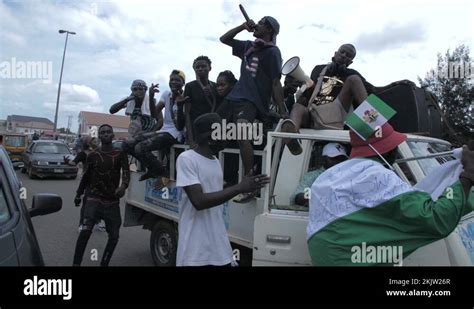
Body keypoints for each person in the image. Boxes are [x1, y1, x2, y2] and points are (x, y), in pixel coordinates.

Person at [307, 122, 474, 266]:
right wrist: (467, 174)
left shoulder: (327, 176)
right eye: (394, 145)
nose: (395, 148)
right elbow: (437, 219)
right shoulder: (376, 175)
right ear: (386, 150)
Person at [281, 44, 413, 155]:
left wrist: (395, 85)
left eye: (348, 55)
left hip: (334, 113)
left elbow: (374, 90)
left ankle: (375, 126)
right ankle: (292, 139)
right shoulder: (319, 69)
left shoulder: (351, 73)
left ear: (350, 62)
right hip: (313, 113)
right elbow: (309, 93)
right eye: (342, 52)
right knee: (298, 108)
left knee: (354, 80)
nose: (344, 55)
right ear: (335, 53)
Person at [176, 113, 269, 266]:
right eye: (221, 133)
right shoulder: (187, 159)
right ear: (209, 137)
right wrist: (239, 187)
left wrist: (248, 186)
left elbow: (218, 190)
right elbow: (198, 201)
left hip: (219, 248)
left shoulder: (215, 161)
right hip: (195, 252)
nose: (226, 137)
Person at [218, 16, 286, 203]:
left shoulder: (272, 52)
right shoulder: (248, 45)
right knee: (210, 128)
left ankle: (250, 182)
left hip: (251, 101)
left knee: (241, 132)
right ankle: (219, 177)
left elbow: (275, 82)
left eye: (263, 22)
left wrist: (282, 110)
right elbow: (224, 39)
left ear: (270, 31)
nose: (258, 23)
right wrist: (242, 26)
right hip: (234, 97)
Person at [72, 124, 130, 266]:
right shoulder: (93, 155)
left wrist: (123, 186)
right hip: (94, 199)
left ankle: (104, 263)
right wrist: (78, 194)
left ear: (112, 136)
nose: (105, 134)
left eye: (108, 132)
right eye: (102, 132)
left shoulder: (120, 154)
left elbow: (127, 174)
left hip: (112, 201)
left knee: (114, 236)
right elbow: (86, 177)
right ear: (99, 136)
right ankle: (75, 264)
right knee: (85, 232)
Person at [134, 70, 186, 181]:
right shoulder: (166, 94)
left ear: (183, 83)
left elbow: (180, 126)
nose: (173, 82)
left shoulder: (185, 97)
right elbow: (154, 114)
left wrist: (180, 106)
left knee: (140, 148)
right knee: (132, 142)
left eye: (177, 80)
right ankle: (155, 169)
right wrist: (152, 97)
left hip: (175, 134)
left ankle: (159, 171)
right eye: (171, 79)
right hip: (164, 132)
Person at [176, 56, 219, 146]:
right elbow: (187, 113)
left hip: (212, 129)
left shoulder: (215, 86)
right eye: (197, 67)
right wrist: (190, 139)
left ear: (209, 68)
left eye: (203, 66)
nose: (200, 69)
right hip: (196, 130)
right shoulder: (190, 86)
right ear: (194, 69)